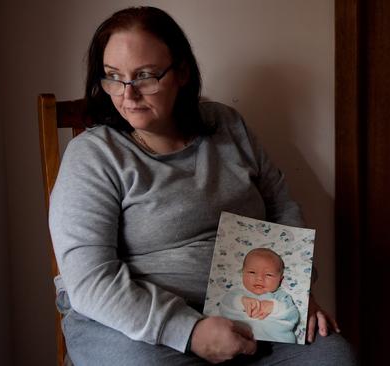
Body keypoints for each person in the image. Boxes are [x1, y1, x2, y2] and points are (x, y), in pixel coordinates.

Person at [49, 6, 356, 365]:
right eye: (113, 76)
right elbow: (91, 281)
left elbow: (280, 205)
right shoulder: (93, 155)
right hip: (136, 325)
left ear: (181, 72)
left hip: (253, 312)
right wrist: (190, 332)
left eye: (145, 76)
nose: (126, 95)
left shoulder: (226, 125)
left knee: (334, 357)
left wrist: (294, 291)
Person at [220, 248, 299, 344]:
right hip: (239, 340)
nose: (259, 278)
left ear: (280, 279)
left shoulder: (281, 296)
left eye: (268, 275)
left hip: (275, 340)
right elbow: (224, 306)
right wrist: (241, 301)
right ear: (243, 274)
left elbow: (293, 315)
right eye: (252, 272)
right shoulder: (237, 294)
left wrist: (274, 307)